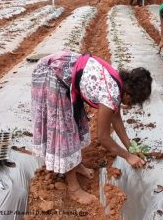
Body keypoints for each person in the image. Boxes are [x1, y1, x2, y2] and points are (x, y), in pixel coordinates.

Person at [31, 50, 152, 205]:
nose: (131, 105)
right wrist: (128, 156)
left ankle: (76, 165)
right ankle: (73, 189)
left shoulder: (118, 84)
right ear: (128, 94)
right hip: (53, 74)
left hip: (65, 70)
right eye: (133, 102)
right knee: (65, 131)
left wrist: (130, 147)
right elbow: (103, 138)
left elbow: (116, 117)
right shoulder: (111, 94)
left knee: (74, 124)